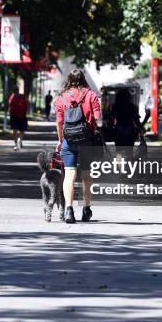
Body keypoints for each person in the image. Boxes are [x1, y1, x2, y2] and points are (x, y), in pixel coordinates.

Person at [55, 69, 101, 223]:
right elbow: (98, 117)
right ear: (83, 78)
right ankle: (86, 208)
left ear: (69, 79)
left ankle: (69, 210)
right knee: (87, 176)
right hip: (87, 140)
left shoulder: (62, 97)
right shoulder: (91, 95)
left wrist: (60, 139)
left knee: (69, 175)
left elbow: (60, 122)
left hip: (69, 141)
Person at [8, 86, 28, 151]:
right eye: (14, 90)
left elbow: (27, 104)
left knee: (22, 130)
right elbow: (10, 106)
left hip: (22, 116)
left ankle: (20, 140)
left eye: (16, 90)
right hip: (14, 116)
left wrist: (26, 110)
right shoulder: (11, 97)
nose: (15, 91)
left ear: (18, 90)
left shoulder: (23, 97)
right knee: (15, 130)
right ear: (13, 91)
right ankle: (16, 144)